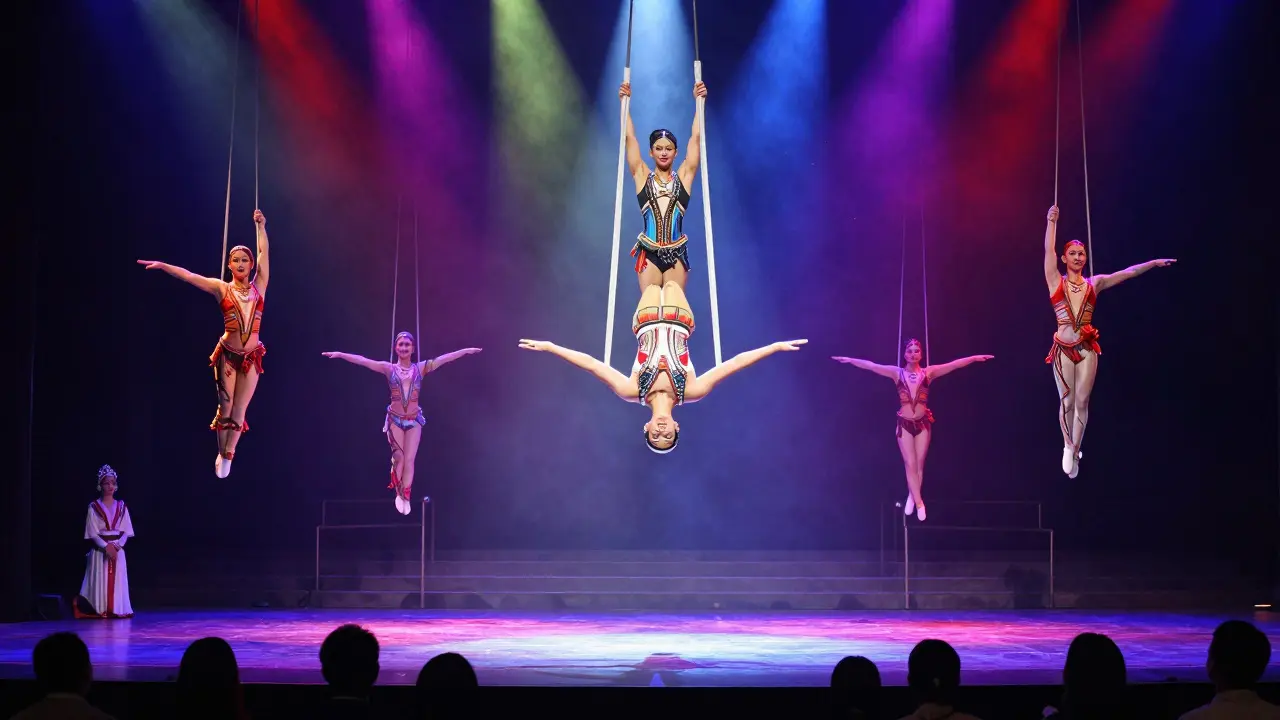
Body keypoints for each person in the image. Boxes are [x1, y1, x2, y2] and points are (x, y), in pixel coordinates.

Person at [520, 280, 806, 453]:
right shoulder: (693, 390)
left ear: (646, 428)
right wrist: (773, 347)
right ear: (676, 427)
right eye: (667, 435)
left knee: (652, 256)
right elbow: (734, 364)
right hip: (679, 318)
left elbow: (592, 365)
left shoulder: (630, 390)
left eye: (655, 435)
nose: (661, 430)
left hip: (645, 320)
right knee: (671, 276)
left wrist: (552, 347)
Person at [1043, 205, 1176, 477]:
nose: (1078, 257)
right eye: (1073, 253)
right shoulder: (1055, 280)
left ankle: (1076, 448)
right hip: (1063, 349)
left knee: (1082, 401)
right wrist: (1051, 222)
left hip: (1088, 347)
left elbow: (1128, 273)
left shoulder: (1096, 283)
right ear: (1065, 258)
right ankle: (1067, 446)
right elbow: (1047, 251)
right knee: (1066, 402)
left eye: (1082, 253)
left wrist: (1152, 263)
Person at [137, 210, 271, 478]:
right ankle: (222, 452)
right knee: (226, 405)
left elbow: (264, 252)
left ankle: (229, 454)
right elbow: (188, 276)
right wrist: (164, 266)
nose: (242, 263)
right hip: (228, 355)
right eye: (236, 260)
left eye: (246, 259)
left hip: (252, 356)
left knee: (241, 408)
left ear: (251, 264)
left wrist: (261, 226)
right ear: (230, 266)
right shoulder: (221, 288)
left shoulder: (260, 287)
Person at [832, 341, 993, 521]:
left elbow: (954, 365)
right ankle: (919, 503)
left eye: (917, 351)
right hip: (905, 424)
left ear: (921, 355)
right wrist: (850, 360)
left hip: (923, 423)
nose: (914, 354)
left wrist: (974, 358)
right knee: (910, 463)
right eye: (910, 351)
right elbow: (872, 366)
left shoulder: (929, 372)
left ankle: (912, 495)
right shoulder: (896, 373)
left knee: (919, 463)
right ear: (905, 354)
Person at [322, 335, 481, 514]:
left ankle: (406, 494)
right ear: (395, 348)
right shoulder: (388, 368)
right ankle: (398, 493)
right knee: (399, 457)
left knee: (410, 460)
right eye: (401, 344)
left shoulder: (421, 368)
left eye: (407, 345)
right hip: (395, 419)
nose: (404, 347)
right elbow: (363, 361)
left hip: (414, 420)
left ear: (413, 348)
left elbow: (444, 359)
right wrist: (340, 354)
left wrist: (465, 351)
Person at [619, 80, 707, 291]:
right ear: (651, 152)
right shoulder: (642, 176)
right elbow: (629, 138)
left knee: (673, 302)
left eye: (668, 148)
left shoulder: (684, 177)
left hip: (676, 253)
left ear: (676, 153)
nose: (664, 152)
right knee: (650, 305)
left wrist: (699, 102)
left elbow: (696, 138)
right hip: (649, 253)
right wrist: (625, 103)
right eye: (659, 148)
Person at [74, 465, 135, 619]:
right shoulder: (94, 507)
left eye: (113, 482)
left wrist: (117, 545)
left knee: (117, 581)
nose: (110, 486)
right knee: (101, 579)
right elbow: (93, 532)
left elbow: (126, 530)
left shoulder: (121, 506)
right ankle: (100, 608)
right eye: (107, 483)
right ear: (100, 485)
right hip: (100, 550)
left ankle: (117, 608)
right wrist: (106, 546)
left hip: (117, 549)